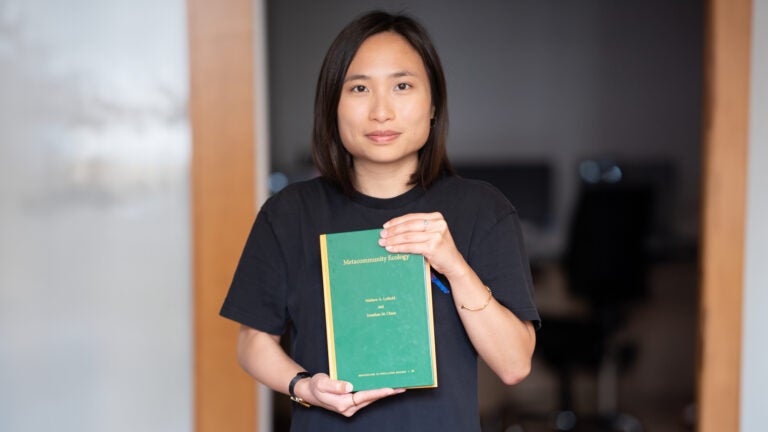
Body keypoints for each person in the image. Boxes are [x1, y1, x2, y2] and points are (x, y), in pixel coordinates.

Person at [220, 10, 540, 431]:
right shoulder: (289, 213)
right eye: (358, 88)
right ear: (332, 106)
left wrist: (454, 265)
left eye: (402, 86)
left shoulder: (482, 210)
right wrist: (303, 386)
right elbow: (253, 342)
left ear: (433, 105)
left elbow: (514, 364)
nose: (381, 111)